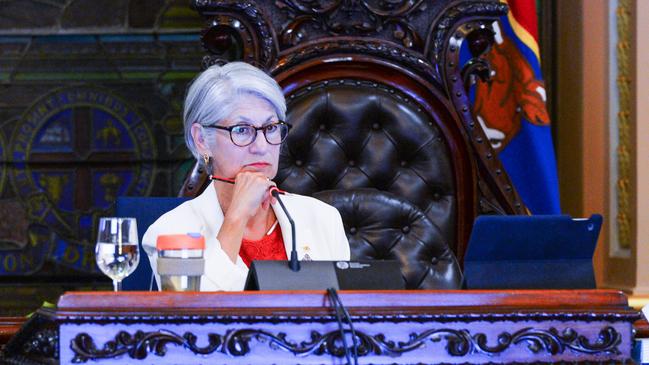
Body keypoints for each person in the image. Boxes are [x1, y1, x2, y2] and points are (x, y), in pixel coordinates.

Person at [142, 62, 350, 291]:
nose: (261, 147)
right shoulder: (170, 231)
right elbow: (195, 316)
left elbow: (346, 317)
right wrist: (237, 216)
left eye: (270, 128)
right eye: (241, 130)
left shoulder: (322, 218)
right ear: (202, 140)